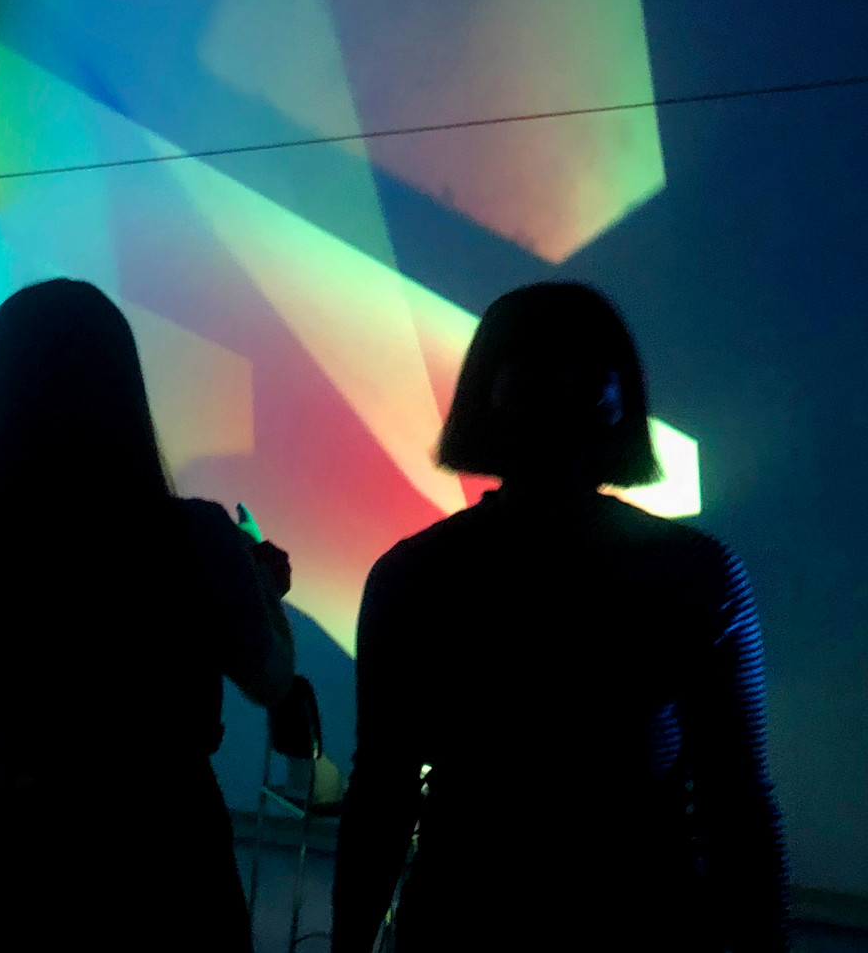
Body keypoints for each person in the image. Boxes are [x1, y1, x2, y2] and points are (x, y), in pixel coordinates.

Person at [331, 283, 789, 953]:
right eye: (539, 375)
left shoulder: (415, 574)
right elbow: (735, 802)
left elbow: (383, 790)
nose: (558, 397)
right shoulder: (693, 571)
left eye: (577, 376)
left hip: (468, 920)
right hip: (634, 922)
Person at [0, 279, 295, 951]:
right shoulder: (200, 541)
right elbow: (271, 678)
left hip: (7, 879)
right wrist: (263, 591)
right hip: (173, 867)